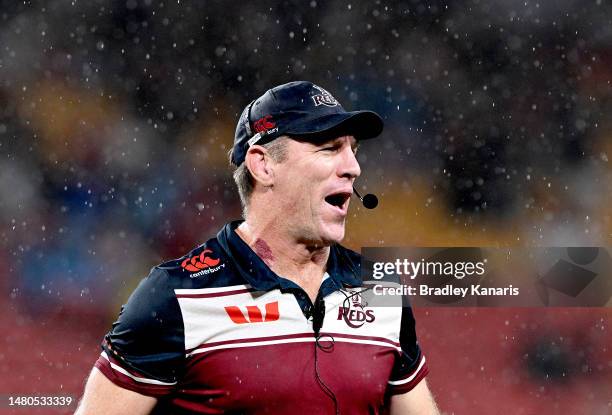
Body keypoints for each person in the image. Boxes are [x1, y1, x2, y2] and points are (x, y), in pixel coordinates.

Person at [75, 81, 440, 414]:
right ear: (263, 166)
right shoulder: (177, 296)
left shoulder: (380, 289)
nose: (353, 167)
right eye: (329, 148)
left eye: (353, 149)